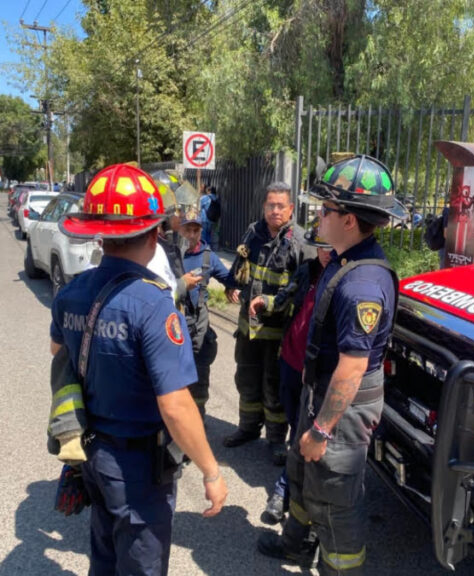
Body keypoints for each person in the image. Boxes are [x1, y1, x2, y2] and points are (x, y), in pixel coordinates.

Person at [50, 163, 227, 574]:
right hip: (138, 468)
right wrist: (211, 471)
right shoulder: (154, 306)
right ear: (152, 233)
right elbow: (176, 405)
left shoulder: (71, 293)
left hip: (90, 453)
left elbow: (59, 353)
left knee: (105, 555)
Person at [258, 154, 406, 574]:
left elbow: (352, 368)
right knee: (304, 474)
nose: (318, 215)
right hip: (320, 393)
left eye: (326, 209)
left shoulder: (361, 284)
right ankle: (296, 547)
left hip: (342, 405)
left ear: (350, 220)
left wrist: (322, 429)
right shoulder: (344, 260)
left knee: (336, 496)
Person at [223, 182, 305, 465]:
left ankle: (275, 440)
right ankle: (247, 428)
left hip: (278, 331)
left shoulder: (299, 241)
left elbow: (300, 285)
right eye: (271, 205)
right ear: (264, 207)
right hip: (248, 326)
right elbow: (240, 265)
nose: (275, 210)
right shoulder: (253, 232)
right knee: (246, 378)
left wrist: (272, 303)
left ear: (291, 208)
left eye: (281, 205)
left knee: (274, 383)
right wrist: (231, 285)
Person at [260, 216, 333, 528]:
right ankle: (291, 482)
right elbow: (285, 296)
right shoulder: (308, 271)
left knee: (302, 434)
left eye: (329, 247)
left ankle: (282, 492)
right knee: (294, 426)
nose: (324, 253)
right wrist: (265, 301)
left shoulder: (343, 280)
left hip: (312, 373)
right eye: (320, 248)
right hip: (289, 362)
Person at [180, 205, 237, 417]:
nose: (192, 235)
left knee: (200, 381)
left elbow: (230, 278)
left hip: (199, 333)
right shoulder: (172, 255)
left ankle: (199, 420)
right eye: (188, 230)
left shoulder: (208, 257)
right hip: (175, 329)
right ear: (180, 231)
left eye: (196, 230)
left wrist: (233, 284)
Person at [200, 185, 221, 250]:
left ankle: (204, 248)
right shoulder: (217, 198)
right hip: (213, 220)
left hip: (205, 219)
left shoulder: (204, 198)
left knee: (203, 234)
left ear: (209, 191)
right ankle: (208, 247)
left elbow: (199, 206)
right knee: (209, 233)